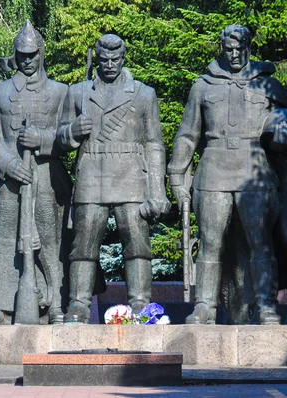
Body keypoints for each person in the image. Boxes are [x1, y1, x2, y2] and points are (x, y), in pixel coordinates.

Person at [168, 25, 287, 325]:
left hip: (255, 170)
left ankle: (266, 306)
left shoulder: (268, 85)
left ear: (249, 47)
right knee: (210, 243)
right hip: (213, 170)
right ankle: (204, 307)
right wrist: (177, 174)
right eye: (229, 49)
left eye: (240, 49)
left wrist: (284, 128)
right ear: (222, 49)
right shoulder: (203, 86)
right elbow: (187, 134)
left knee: (260, 242)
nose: (235, 54)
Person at [57, 34, 170, 323]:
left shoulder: (143, 93)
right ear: (96, 58)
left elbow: (154, 144)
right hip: (91, 175)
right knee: (83, 246)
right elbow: (59, 139)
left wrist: (157, 190)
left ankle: (141, 305)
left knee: (137, 246)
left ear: (123, 58)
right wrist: (72, 131)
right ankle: (79, 305)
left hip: (131, 177)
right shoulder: (78, 92)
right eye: (104, 59)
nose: (109, 64)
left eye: (115, 59)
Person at [0, 20, 71, 325]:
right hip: (9, 181)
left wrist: (42, 140)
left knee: (51, 242)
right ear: (15, 55)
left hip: (47, 180)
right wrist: (9, 163)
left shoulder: (60, 92)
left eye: (32, 54)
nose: (27, 60)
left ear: (41, 53)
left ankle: (56, 303)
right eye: (22, 55)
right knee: (4, 241)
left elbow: (68, 136)